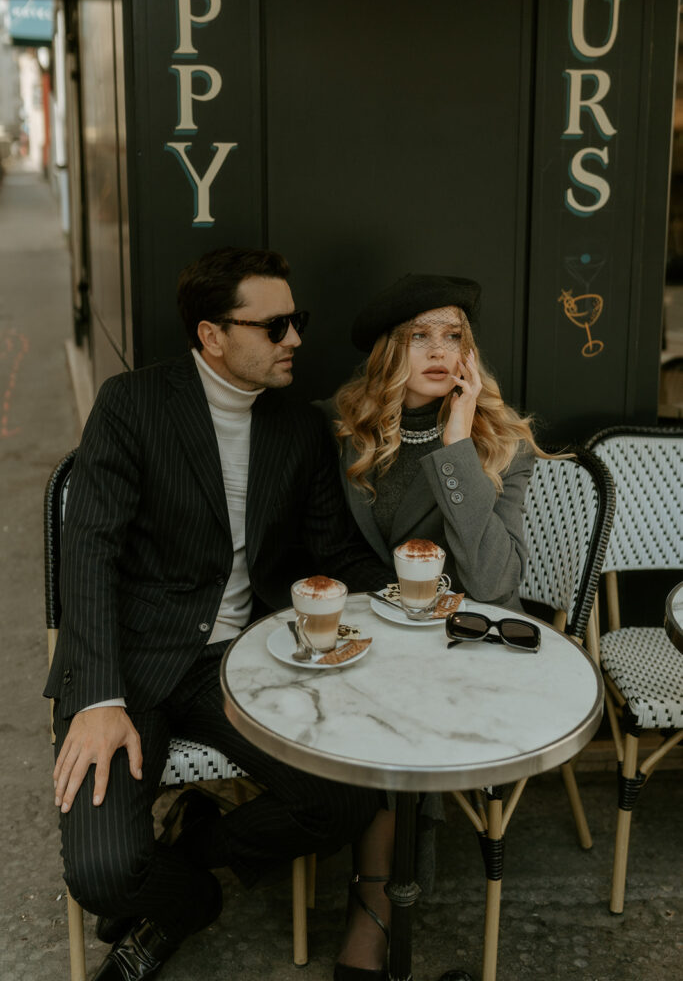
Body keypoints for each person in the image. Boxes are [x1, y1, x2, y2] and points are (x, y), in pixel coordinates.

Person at [44, 246, 390, 981]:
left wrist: (412, 600)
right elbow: (90, 554)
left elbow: (333, 553)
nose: (294, 338)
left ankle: (194, 847)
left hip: (241, 665)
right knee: (104, 875)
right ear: (211, 335)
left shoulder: (296, 429)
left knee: (347, 799)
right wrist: (99, 696)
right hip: (129, 660)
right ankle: (191, 901)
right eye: (274, 326)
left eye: (297, 320)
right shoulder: (133, 403)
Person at [323, 272, 551, 981]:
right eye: (419, 335)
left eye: (452, 335)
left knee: (409, 708)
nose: (439, 349)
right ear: (387, 351)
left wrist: (456, 444)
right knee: (379, 704)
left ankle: (379, 907)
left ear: (470, 355)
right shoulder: (338, 428)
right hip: (362, 634)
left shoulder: (498, 442)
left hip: (463, 641)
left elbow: (493, 584)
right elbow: (318, 551)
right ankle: (379, 899)